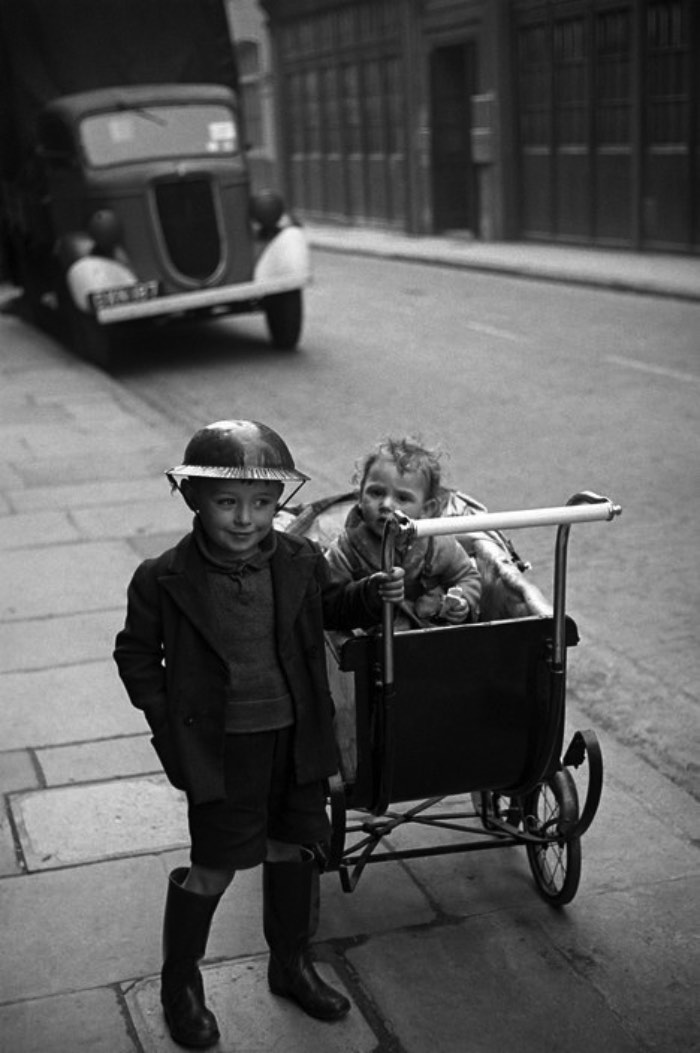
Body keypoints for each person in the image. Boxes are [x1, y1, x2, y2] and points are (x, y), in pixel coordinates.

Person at [113, 420, 404, 1050]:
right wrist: (169, 726)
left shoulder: (299, 560)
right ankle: (181, 984)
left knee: (294, 850)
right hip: (221, 751)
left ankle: (291, 963)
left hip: (296, 740)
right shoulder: (161, 578)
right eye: (227, 502)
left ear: (280, 503)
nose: (246, 518)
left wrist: (370, 593)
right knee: (213, 866)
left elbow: (333, 607)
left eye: (263, 503)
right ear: (193, 497)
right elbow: (135, 656)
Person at [325, 436, 481, 627]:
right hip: (369, 642)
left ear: (427, 509)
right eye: (376, 493)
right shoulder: (345, 551)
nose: (386, 505)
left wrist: (462, 602)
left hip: (429, 634)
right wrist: (367, 594)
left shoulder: (436, 542)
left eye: (402, 498)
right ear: (359, 496)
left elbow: (467, 576)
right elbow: (329, 602)